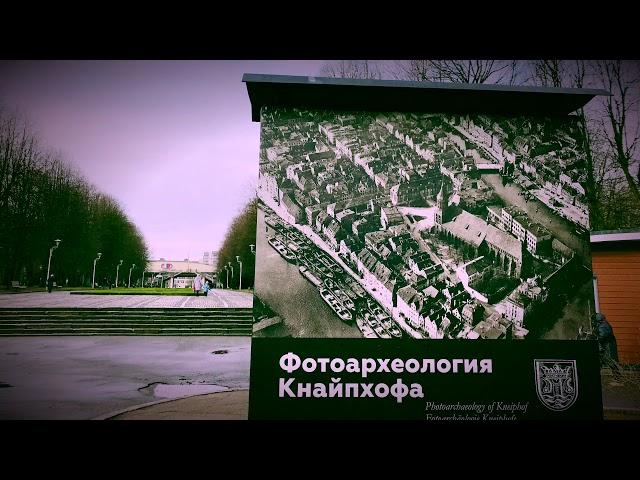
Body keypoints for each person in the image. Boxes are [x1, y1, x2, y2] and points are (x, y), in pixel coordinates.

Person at [591, 313, 622, 382]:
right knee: (602, 361)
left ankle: (617, 377)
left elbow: (602, 336)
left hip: (608, 346)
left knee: (610, 360)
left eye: (594, 319)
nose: (593, 321)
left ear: (598, 319)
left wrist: (594, 337)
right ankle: (617, 376)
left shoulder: (603, 325)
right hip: (606, 345)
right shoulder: (602, 324)